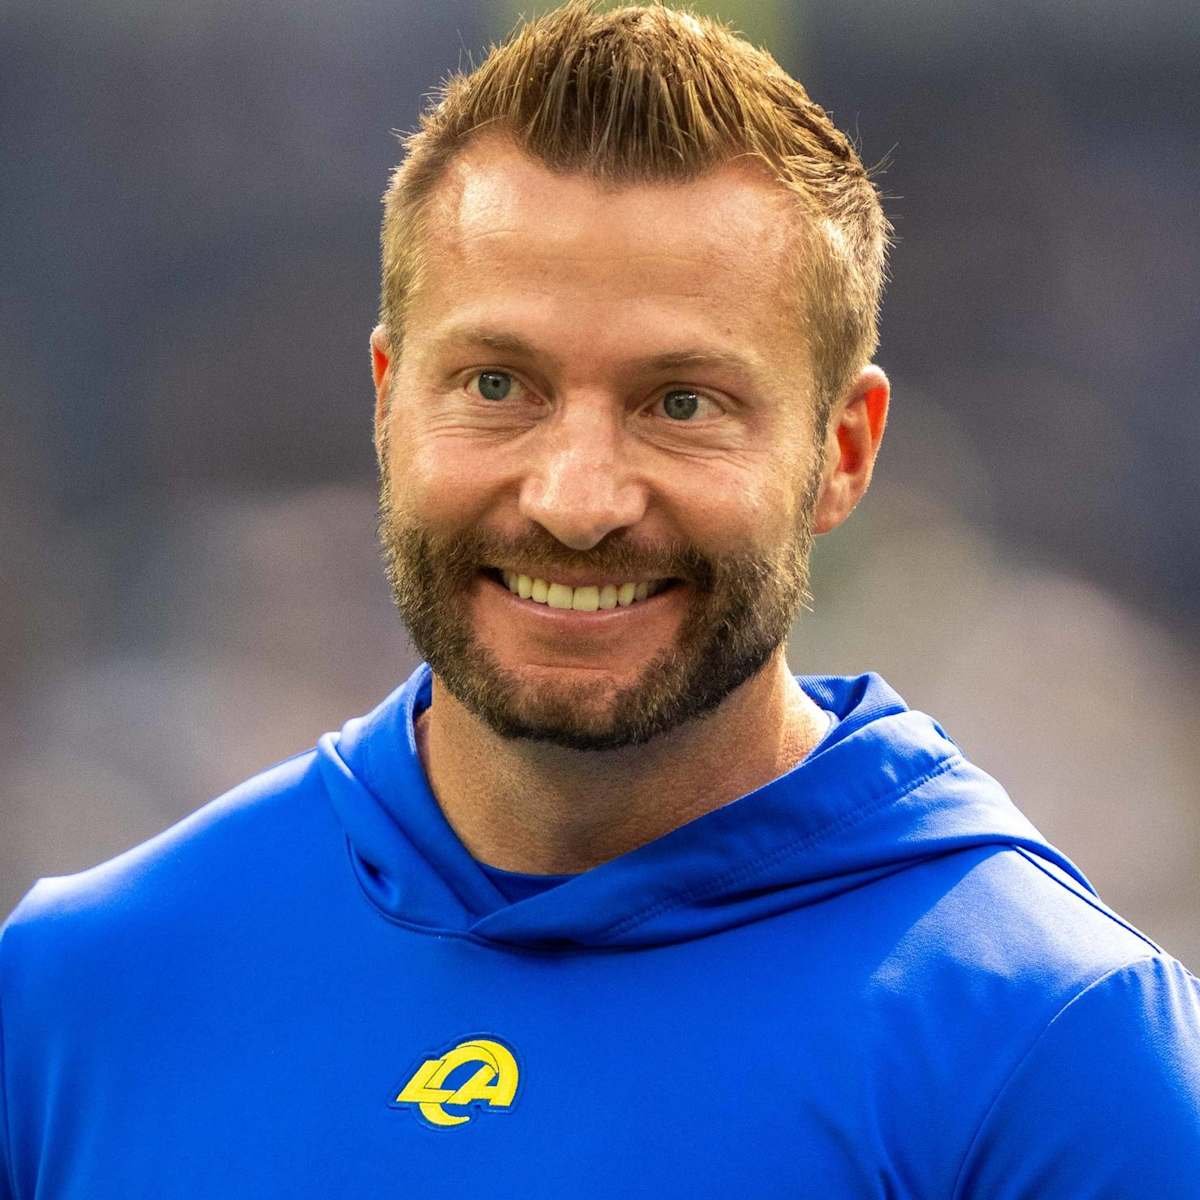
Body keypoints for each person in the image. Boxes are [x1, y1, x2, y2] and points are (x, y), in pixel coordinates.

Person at [3, 2, 1198, 1195]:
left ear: (843, 453)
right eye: (496, 384)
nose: (577, 501)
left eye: (682, 403)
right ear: (386, 401)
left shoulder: (1058, 1050)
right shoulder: (74, 996)